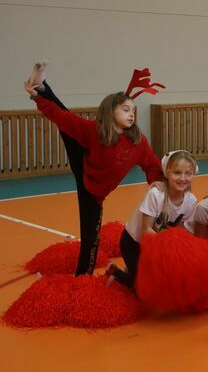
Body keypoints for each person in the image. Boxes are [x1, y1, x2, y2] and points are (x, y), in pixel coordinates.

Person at [24, 62, 163, 275]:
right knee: (66, 124)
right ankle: (41, 86)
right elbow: (62, 116)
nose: (132, 114)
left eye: (133, 111)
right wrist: (38, 98)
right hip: (85, 164)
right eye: (126, 109)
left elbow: (152, 163)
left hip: (95, 190)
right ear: (110, 111)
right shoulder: (94, 131)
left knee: (91, 236)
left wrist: (155, 181)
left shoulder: (138, 142)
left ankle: (42, 87)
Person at [107, 150, 199, 288]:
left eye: (188, 173)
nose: (182, 178)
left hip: (160, 246)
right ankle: (116, 274)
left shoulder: (191, 200)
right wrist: (166, 246)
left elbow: (180, 232)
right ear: (167, 173)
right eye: (177, 173)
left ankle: (136, 271)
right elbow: (146, 231)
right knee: (145, 289)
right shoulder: (156, 194)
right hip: (134, 243)